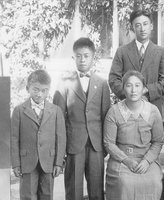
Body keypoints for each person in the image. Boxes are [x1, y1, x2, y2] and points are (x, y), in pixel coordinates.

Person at [53, 37, 111, 200]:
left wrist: (105, 146)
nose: (83, 59)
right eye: (79, 56)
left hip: (96, 145)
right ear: (74, 58)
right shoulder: (65, 82)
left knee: (97, 189)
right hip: (73, 144)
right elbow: (58, 117)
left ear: (93, 57)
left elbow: (106, 116)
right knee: (73, 189)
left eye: (86, 55)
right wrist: (61, 148)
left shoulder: (101, 83)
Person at [104, 70, 164, 200]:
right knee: (125, 183)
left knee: (153, 181)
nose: (133, 90)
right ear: (123, 88)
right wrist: (127, 160)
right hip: (122, 159)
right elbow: (109, 143)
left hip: (146, 159)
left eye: (137, 85)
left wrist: (147, 161)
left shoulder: (153, 111)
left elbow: (158, 142)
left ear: (143, 89)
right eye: (129, 85)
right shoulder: (114, 112)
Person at [11, 70, 66, 200]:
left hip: (49, 161)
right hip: (27, 162)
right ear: (27, 88)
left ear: (48, 90)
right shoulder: (19, 110)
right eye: (36, 90)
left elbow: (61, 138)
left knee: (47, 195)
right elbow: (14, 139)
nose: (40, 94)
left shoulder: (56, 111)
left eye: (44, 90)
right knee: (28, 195)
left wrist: (58, 162)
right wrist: (16, 164)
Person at [109, 9, 164, 113]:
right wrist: (130, 94)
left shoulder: (161, 52)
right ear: (132, 28)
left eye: (145, 24)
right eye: (138, 25)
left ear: (151, 26)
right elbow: (113, 79)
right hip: (127, 108)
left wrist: (147, 90)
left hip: (152, 108)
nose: (142, 29)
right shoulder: (122, 51)